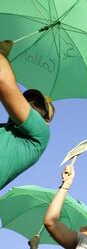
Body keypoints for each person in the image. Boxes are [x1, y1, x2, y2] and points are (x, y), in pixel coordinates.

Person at [0, 40, 54, 190]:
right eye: (25, 100)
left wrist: (1, 55)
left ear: (47, 119)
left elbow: (3, 80)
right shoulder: (4, 129)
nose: (29, 104)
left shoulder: (41, 135)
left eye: (37, 104)